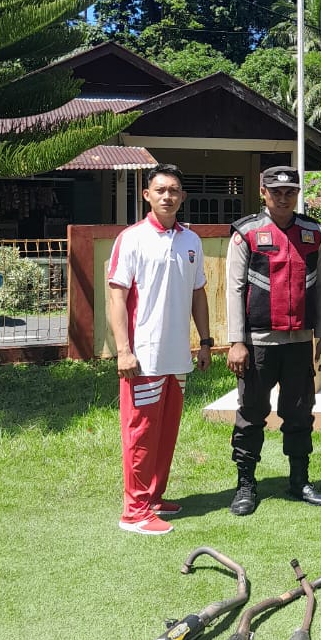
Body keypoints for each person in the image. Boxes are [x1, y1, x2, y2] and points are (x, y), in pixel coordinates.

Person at [107, 164, 212, 535]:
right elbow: (116, 298)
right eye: (161, 190)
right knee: (140, 434)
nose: (168, 196)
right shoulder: (131, 238)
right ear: (146, 195)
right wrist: (123, 350)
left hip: (177, 356)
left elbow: (198, 294)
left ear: (182, 196)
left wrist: (205, 342)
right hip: (143, 358)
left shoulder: (191, 241)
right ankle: (134, 513)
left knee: (165, 433)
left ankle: (153, 497)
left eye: (174, 190)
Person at [225, 165, 321, 515]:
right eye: (276, 192)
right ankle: (245, 485)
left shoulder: (312, 233)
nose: (283, 199)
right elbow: (234, 289)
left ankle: (299, 480)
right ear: (263, 192)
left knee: (300, 414)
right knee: (252, 413)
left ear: (298, 194)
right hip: (257, 343)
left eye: (290, 192)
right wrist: (236, 341)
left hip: (300, 342)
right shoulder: (246, 233)